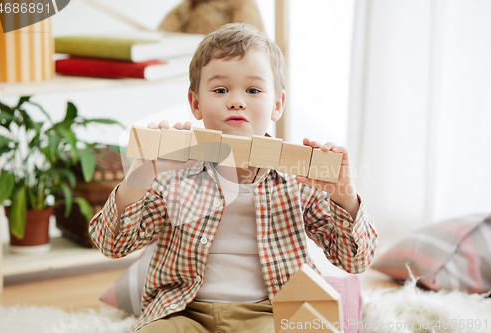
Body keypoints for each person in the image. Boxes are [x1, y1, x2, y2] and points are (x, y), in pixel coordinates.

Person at [89, 23, 378, 332]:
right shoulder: (172, 175)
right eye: (220, 90)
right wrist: (139, 179)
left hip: (270, 313)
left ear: (277, 104)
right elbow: (112, 244)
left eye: (253, 90)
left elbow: (354, 261)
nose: (236, 100)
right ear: (196, 104)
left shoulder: (298, 179)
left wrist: (344, 197)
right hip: (184, 312)